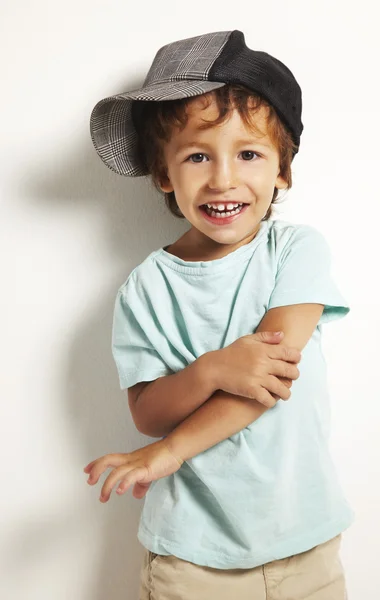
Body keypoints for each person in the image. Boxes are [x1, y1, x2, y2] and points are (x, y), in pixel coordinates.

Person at [84, 30, 354, 599]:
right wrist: (210, 370)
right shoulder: (146, 288)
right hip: (192, 558)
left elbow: (271, 375)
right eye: (198, 155)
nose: (224, 178)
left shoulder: (296, 251)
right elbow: (148, 413)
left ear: (282, 171)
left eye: (249, 154)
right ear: (164, 175)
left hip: (305, 543)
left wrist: (172, 451)